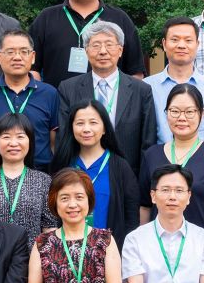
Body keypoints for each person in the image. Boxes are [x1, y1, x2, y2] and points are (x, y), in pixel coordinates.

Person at [29, 0, 146, 86]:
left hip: (109, 100)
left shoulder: (120, 19)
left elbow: (135, 72)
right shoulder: (46, 18)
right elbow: (31, 68)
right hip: (57, 99)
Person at [141, 85, 204, 232]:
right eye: (175, 111)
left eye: (189, 112)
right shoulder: (152, 155)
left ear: (202, 114)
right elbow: (144, 206)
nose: (182, 118)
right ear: (166, 113)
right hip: (158, 243)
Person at [57, 20, 157, 162]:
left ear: (120, 50)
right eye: (96, 45)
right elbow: (63, 138)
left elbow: (148, 142)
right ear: (86, 51)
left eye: (109, 45)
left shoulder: (141, 90)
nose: (103, 51)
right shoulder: (68, 88)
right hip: (81, 170)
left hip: (128, 170)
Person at [147, 18, 204, 145]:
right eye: (175, 40)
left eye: (188, 40)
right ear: (164, 44)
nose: (181, 45)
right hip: (158, 157)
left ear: (197, 44)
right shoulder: (147, 87)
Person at [59, 100, 142, 240]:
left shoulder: (120, 167)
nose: (86, 129)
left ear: (104, 128)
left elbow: (131, 216)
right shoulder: (63, 164)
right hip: (68, 248)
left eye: (93, 122)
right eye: (80, 123)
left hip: (110, 248)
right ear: (71, 127)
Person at [0, 30, 62, 169]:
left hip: (41, 173)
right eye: (10, 52)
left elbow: (53, 143)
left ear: (33, 57)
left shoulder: (49, 93)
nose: (17, 57)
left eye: (24, 52)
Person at [0, 113, 58, 237]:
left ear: (30, 142)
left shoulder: (44, 181)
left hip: (32, 249)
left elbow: (49, 227)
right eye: (6, 137)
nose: (13, 143)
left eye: (20, 136)